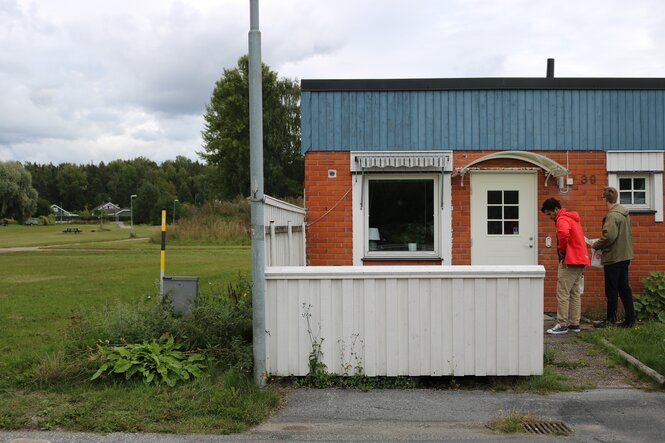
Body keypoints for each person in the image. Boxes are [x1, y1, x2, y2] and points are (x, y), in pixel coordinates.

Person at [541, 198, 590, 334]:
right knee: (574, 292)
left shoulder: (562, 219)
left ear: (556, 210)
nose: (550, 217)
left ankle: (562, 324)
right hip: (581, 259)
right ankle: (574, 324)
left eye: (550, 214)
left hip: (570, 260)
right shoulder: (572, 218)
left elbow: (563, 234)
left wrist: (561, 250)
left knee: (562, 292)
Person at [592, 187, 635, 328]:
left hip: (614, 257)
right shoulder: (624, 213)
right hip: (625, 255)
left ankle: (610, 320)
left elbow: (609, 236)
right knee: (624, 289)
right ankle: (630, 320)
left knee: (611, 290)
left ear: (605, 198)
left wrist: (596, 245)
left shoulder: (612, 216)